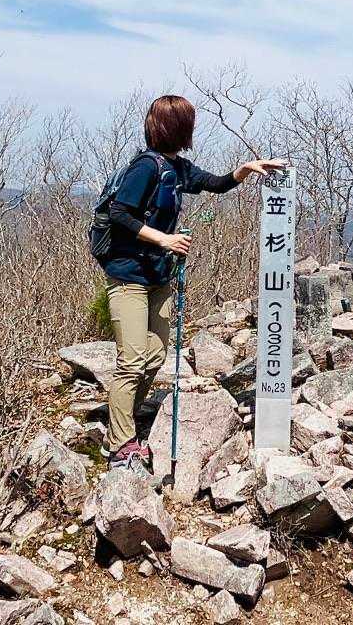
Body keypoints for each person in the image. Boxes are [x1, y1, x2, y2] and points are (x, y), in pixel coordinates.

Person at [95, 94, 282, 473]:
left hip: (157, 275)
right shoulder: (146, 167)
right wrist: (164, 239)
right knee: (131, 361)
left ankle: (123, 423)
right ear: (177, 128)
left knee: (154, 356)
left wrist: (244, 170)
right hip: (128, 276)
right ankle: (119, 446)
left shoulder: (177, 167)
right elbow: (119, 213)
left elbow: (214, 184)